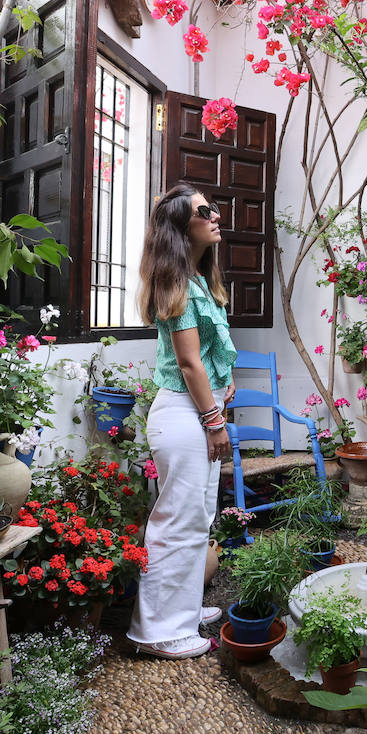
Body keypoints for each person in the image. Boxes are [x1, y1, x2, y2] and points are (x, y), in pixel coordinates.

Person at [127, 182, 237, 659]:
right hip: (185, 415)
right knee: (177, 522)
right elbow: (190, 364)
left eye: (213, 209)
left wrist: (217, 402)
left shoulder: (195, 280)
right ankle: (157, 631)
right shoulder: (179, 285)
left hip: (195, 413)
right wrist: (215, 420)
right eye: (203, 211)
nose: (215, 216)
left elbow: (206, 365)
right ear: (180, 228)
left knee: (196, 519)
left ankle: (184, 611)